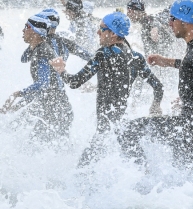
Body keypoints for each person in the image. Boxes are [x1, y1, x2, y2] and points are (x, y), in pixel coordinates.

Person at [50, 12, 163, 166]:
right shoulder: (136, 58)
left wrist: (61, 70)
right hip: (122, 127)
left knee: (83, 169)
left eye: (102, 29)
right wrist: (155, 105)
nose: (98, 32)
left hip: (105, 131)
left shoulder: (103, 54)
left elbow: (74, 82)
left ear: (114, 34)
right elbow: (158, 87)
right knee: (135, 166)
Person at [121, 0, 193, 171]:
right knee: (182, 172)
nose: (169, 24)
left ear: (184, 21)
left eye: (172, 19)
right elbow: (192, 65)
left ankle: (142, 176)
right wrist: (166, 61)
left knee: (128, 131)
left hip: (191, 125)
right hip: (189, 123)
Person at [0, 15, 73, 142]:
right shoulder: (41, 49)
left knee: (30, 144)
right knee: (13, 129)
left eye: (26, 27)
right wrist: (17, 107)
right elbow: (43, 90)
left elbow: (43, 84)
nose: (23, 30)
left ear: (36, 32)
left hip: (55, 110)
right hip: (55, 107)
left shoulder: (41, 52)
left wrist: (18, 94)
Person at [21, 8, 92, 63]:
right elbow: (87, 56)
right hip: (60, 76)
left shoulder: (41, 43)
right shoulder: (64, 42)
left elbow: (24, 59)